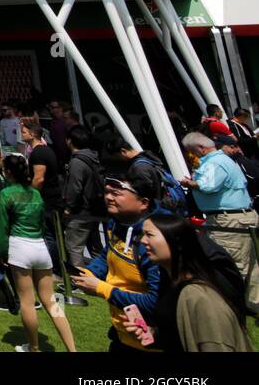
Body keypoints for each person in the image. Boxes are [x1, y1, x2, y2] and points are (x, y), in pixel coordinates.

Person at [120, 213, 252, 352]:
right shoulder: (171, 280)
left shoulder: (198, 296)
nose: (142, 241)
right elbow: (179, 336)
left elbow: (217, 345)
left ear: (176, 241)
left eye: (149, 235)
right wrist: (153, 334)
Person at [72, 170, 162, 352]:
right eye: (106, 192)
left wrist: (102, 288)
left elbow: (156, 301)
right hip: (122, 331)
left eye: (116, 193)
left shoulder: (155, 241)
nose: (109, 198)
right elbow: (109, 253)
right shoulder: (118, 222)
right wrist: (90, 273)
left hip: (151, 340)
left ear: (144, 202)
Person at [0, 155, 77, 352]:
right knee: (50, 300)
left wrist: (3, 251)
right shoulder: (36, 194)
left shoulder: (6, 194)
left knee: (26, 301)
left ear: (8, 172)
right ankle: (72, 349)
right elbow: (42, 223)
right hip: (40, 247)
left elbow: (3, 227)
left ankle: (33, 347)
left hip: (20, 246)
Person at [179, 131, 257, 314]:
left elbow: (208, 185)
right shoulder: (223, 160)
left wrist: (189, 183)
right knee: (250, 264)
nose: (192, 155)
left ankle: (230, 307)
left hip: (227, 220)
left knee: (230, 263)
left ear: (200, 148)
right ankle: (252, 304)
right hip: (240, 216)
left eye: (191, 151)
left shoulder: (215, 163)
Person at [21, 117, 63, 269]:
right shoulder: (44, 150)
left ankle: (55, 267)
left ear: (32, 134)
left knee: (50, 236)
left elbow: (39, 179)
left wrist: (29, 197)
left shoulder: (39, 153)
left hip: (47, 200)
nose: (22, 135)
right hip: (51, 198)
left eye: (24, 132)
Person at [62, 127, 105, 273]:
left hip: (80, 211)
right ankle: (101, 274)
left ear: (70, 141)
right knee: (95, 246)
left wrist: (69, 208)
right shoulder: (93, 156)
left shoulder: (77, 162)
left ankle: (79, 279)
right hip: (94, 208)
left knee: (74, 246)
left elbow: (75, 188)